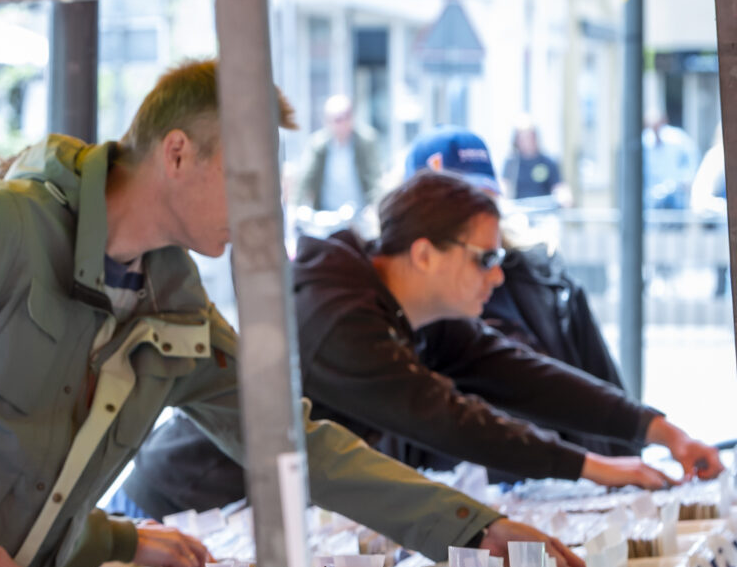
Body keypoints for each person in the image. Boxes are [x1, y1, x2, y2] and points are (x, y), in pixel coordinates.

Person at [0, 59, 584, 567]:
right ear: (178, 153)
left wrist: (473, 529)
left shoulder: (173, 306)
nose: (264, 210)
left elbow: (293, 441)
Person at [122, 171, 721, 516]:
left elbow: (515, 372)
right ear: (424, 253)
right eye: (485, 258)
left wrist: (658, 429)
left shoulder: (408, 304)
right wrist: (592, 467)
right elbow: (445, 418)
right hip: (191, 504)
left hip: (270, 512)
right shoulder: (335, 317)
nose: (498, 275)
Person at [408, 127, 644, 463]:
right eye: (451, 209)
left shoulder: (547, 283)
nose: (468, 220)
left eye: (481, 202)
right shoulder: (392, 308)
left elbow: (605, 402)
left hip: (563, 500)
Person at [294, 94, 384, 215]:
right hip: (327, 214)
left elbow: (375, 178)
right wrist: (295, 207)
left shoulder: (366, 141)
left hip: (360, 213)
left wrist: (375, 206)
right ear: (327, 121)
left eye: (346, 117)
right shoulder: (317, 145)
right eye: (337, 119)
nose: (342, 123)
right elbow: (304, 179)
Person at [503, 118, 569, 210]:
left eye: (529, 136)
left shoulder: (548, 162)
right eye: (522, 137)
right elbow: (505, 186)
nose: (526, 140)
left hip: (544, 213)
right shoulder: (512, 163)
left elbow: (558, 187)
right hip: (520, 212)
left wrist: (563, 197)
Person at [645, 108, 698, 210]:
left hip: (676, 193)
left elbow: (692, 158)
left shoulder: (677, 138)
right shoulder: (645, 141)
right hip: (652, 197)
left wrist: (687, 179)